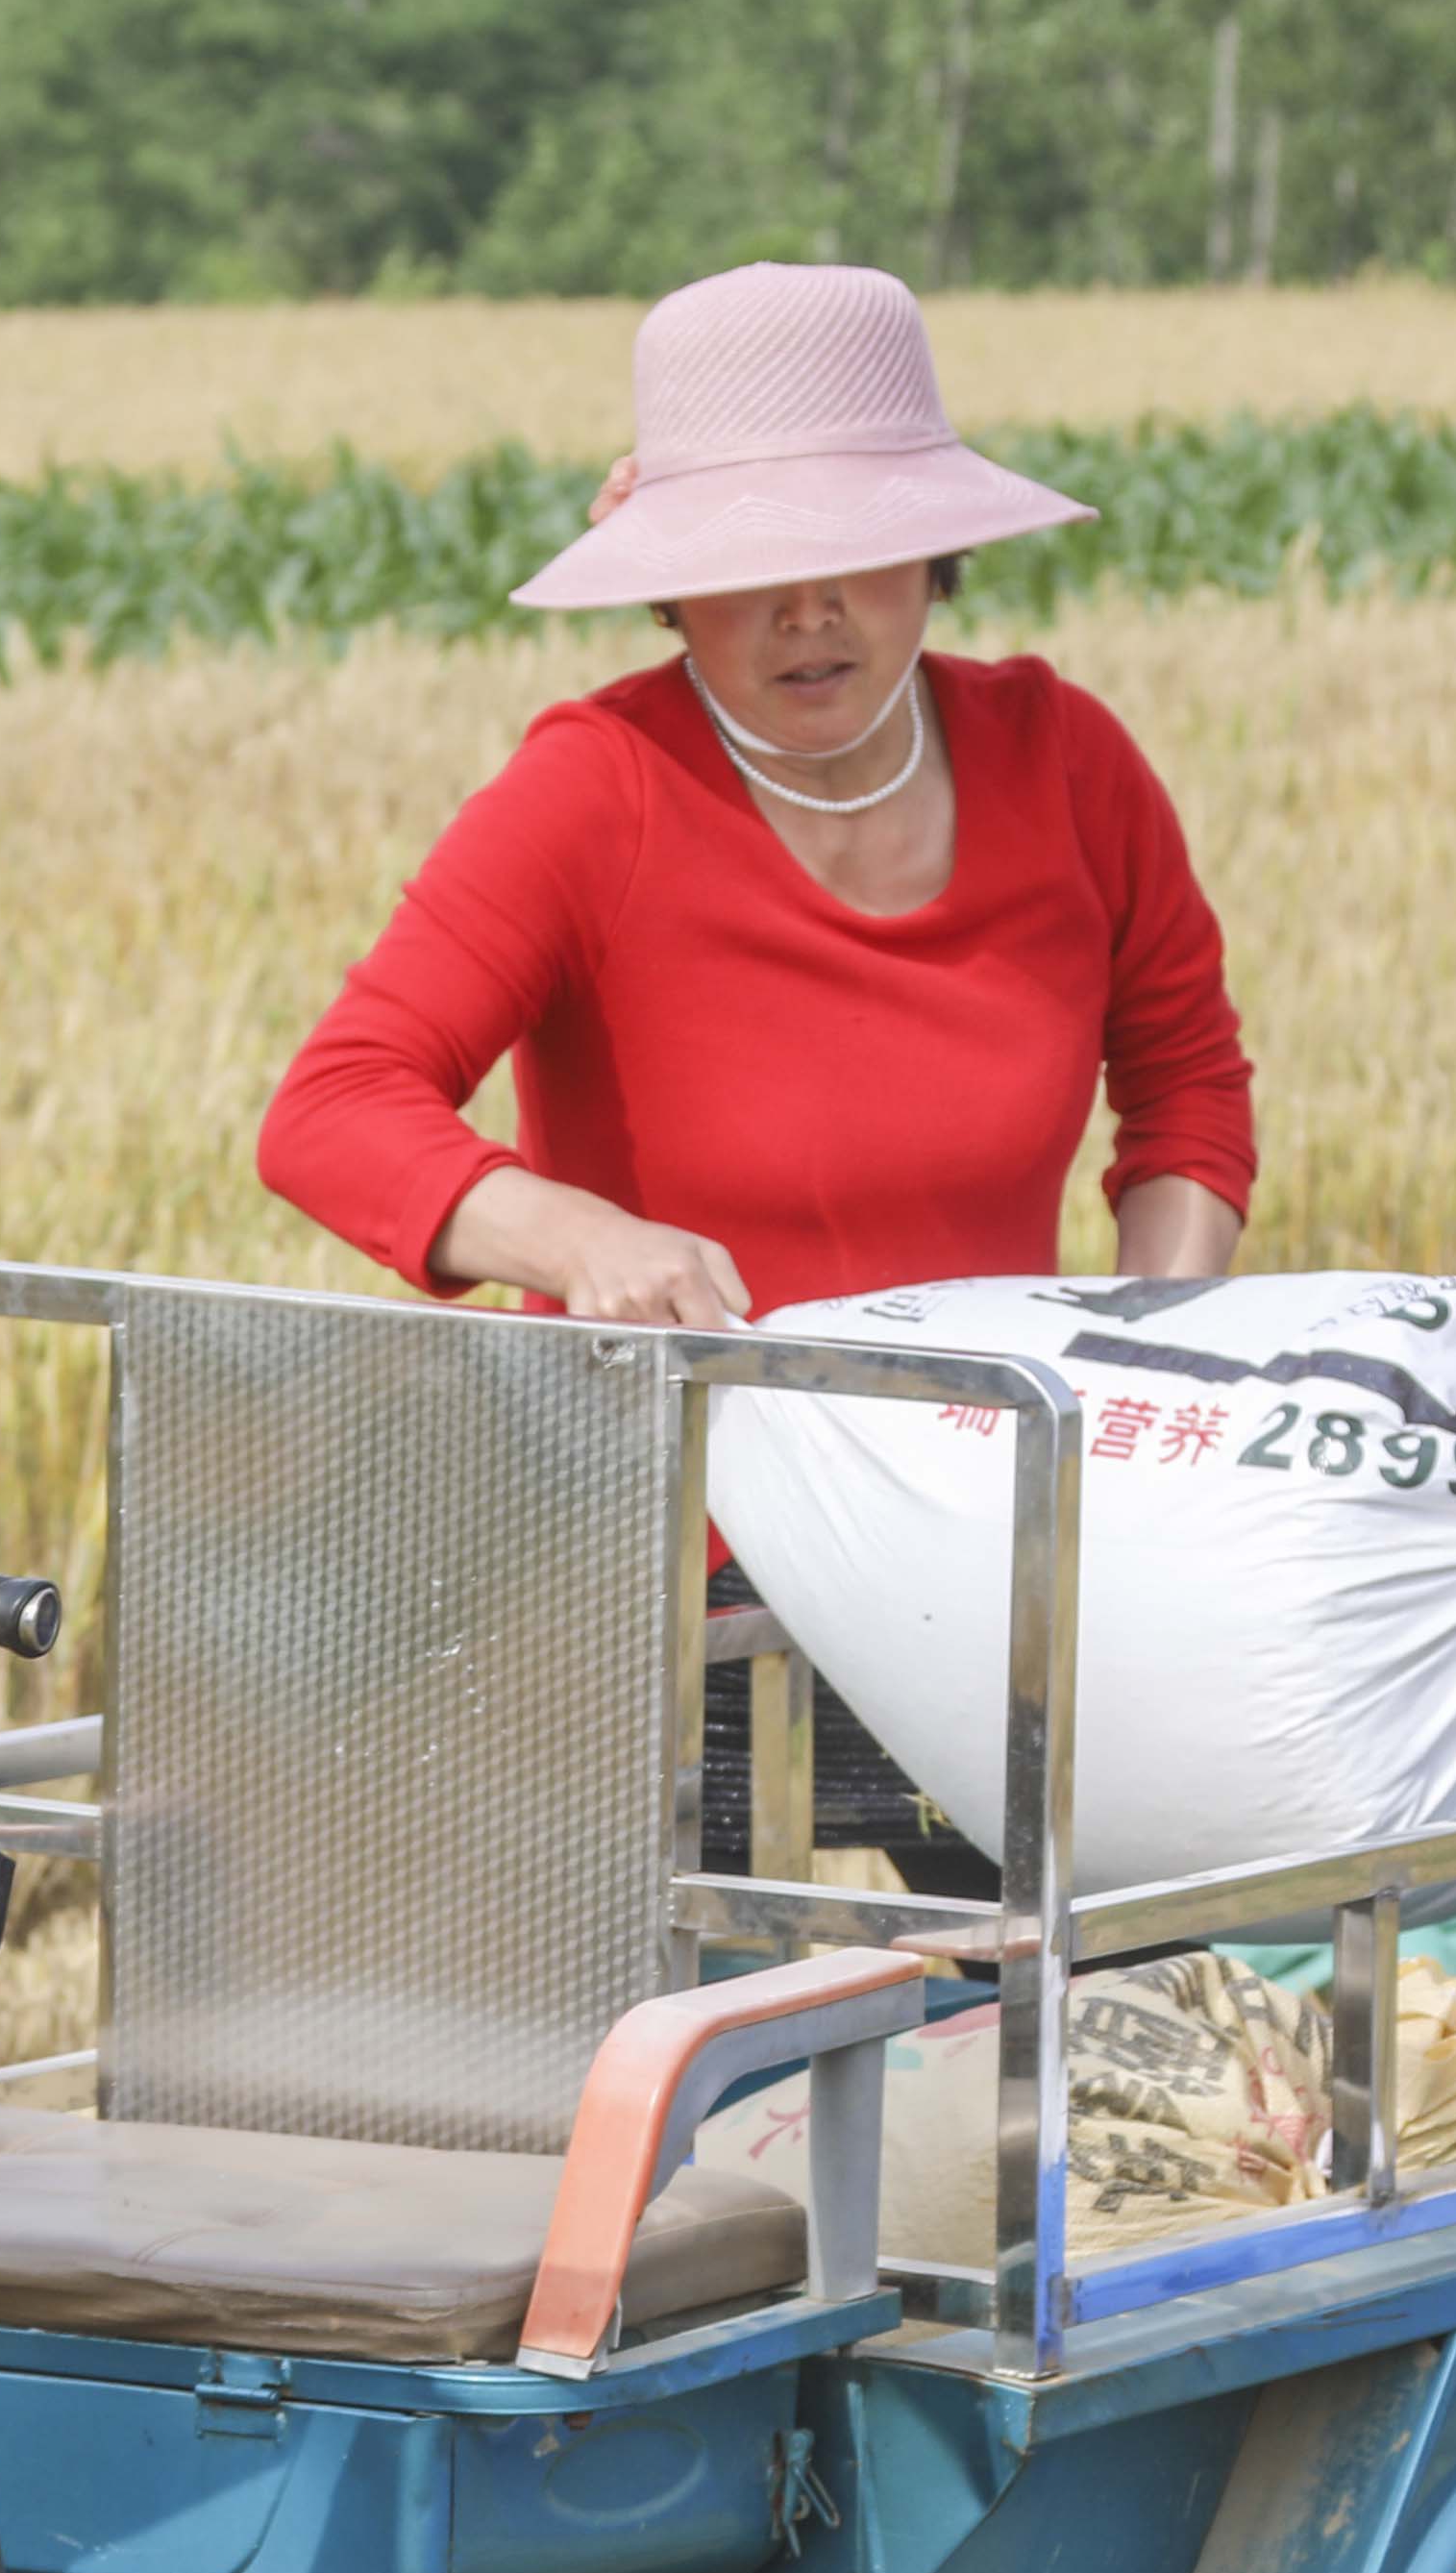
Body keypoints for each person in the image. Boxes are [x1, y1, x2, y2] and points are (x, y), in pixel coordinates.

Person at [258, 259, 1258, 1874]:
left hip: (995, 1554)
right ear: (667, 589)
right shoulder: (597, 792)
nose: (813, 610)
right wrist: (580, 1238)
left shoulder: (1065, 761)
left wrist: (1144, 1340)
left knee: (1088, 2051)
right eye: (752, 568)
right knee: (720, 2074)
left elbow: (1189, 1083)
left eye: (857, 554)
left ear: (935, 555)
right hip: (670, 1579)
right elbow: (332, 1108)